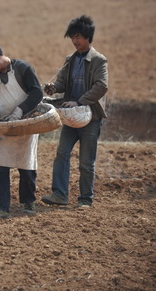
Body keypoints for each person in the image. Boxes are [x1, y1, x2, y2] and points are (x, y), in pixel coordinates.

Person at [42, 15, 108, 208]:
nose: (75, 41)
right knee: (62, 154)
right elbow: (62, 83)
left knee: (86, 161)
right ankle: (59, 195)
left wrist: (79, 101)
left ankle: (85, 199)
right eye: (72, 37)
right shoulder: (69, 59)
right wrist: (53, 88)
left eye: (78, 36)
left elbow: (102, 86)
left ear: (88, 37)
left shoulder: (99, 60)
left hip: (90, 117)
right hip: (71, 117)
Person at [0, 42, 43, 219]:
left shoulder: (23, 69)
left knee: (26, 165)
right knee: (1, 166)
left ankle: (28, 202)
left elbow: (37, 93)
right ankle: (1, 208)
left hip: (26, 122)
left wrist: (20, 110)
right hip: (4, 126)